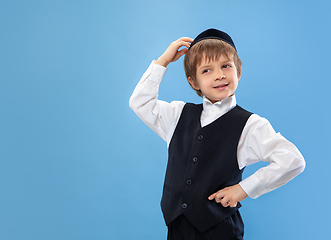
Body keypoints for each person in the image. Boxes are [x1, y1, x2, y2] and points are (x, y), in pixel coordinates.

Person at [129, 28, 305, 240]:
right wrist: (163, 61)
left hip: (220, 232)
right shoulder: (177, 115)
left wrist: (244, 189)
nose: (219, 75)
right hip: (177, 228)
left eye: (226, 66)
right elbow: (139, 102)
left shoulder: (250, 125)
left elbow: (292, 160)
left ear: (238, 71)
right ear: (193, 82)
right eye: (206, 70)